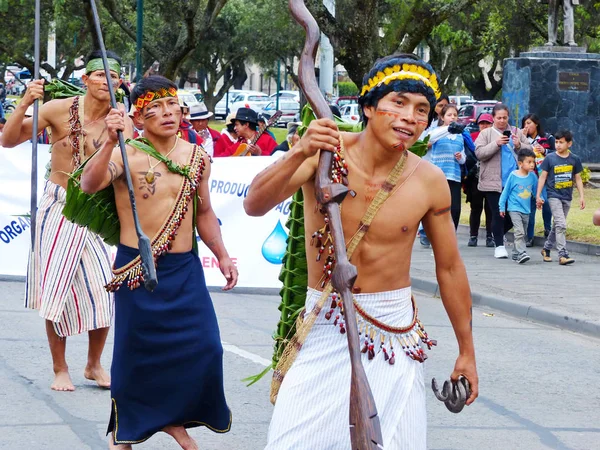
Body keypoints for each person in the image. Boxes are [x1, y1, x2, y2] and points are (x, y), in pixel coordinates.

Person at [244, 53, 478, 449]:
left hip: (394, 331)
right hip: (326, 320)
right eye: (398, 103)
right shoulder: (323, 156)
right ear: (368, 107)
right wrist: (300, 152)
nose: (410, 117)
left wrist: (467, 351)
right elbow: (254, 203)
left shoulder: (430, 181)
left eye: (422, 110)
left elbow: (451, 269)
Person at [80, 75, 238, 449]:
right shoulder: (125, 153)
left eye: (172, 106)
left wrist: (223, 254)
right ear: (138, 115)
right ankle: (126, 433)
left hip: (184, 271)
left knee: (206, 348)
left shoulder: (196, 156)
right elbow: (89, 184)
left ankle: (173, 420)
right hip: (138, 269)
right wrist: (107, 140)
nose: (167, 114)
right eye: (155, 109)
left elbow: (205, 213)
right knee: (136, 358)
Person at [0, 50, 131, 392]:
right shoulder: (58, 109)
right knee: (56, 285)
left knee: (105, 289)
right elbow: (8, 139)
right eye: (98, 74)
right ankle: (60, 368)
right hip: (58, 205)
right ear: (86, 79)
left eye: (112, 75)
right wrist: (26, 101)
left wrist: (121, 137)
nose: (105, 80)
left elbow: (129, 169)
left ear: (120, 82)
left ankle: (93, 364)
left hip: (98, 212)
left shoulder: (122, 121)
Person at [475, 104, 533, 259]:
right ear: (493, 118)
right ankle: (499, 245)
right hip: (493, 182)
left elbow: (530, 151)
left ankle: (497, 234)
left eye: (504, 117)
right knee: (497, 213)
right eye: (498, 117)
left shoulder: (516, 132)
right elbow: (479, 153)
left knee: (514, 215)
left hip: (515, 181)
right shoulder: (486, 133)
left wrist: (519, 145)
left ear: (509, 117)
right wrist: (496, 144)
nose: (501, 121)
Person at [537, 129, 585, 265]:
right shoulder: (550, 158)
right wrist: (538, 195)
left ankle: (546, 249)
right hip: (553, 195)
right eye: (556, 142)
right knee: (561, 224)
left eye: (561, 142)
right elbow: (543, 177)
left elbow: (578, 179)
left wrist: (582, 196)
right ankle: (562, 254)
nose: (557, 145)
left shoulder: (574, 159)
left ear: (569, 144)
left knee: (557, 225)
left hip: (567, 196)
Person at [423, 104, 466, 229]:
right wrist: (449, 129)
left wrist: (460, 157)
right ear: (442, 117)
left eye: (455, 115)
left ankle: (452, 234)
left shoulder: (459, 136)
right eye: (449, 115)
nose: (452, 117)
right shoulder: (437, 131)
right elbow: (430, 139)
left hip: (454, 177)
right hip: (438, 176)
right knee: (438, 207)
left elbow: (463, 159)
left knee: (455, 208)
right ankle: (431, 232)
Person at [498, 149, 538, 264]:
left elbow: (535, 192)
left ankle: (515, 253)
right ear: (520, 164)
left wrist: (539, 200)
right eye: (529, 162)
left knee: (523, 232)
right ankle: (522, 253)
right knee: (519, 231)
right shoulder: (513, 176)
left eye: (533, 162)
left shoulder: (533, 177)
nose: (532, 165)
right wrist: (501, 207)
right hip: (514, 208)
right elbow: (505, 192)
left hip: (526, 209)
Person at [521, 113, 554, 246]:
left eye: (529, 123)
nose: (526, 126)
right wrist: (522, 138)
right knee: (530, 207)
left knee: (545, 202)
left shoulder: (547, 138)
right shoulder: (523, 139)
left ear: (536, 124)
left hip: (544, 176)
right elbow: (517, 153)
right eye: (524, 123)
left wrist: (545, 152)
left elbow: (558, 152)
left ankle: (548, 229)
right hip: (528, 177)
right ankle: (529, 236)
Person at [465, 114, 494, 247]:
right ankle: (473, 236)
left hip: (491, 178)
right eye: (481, 123)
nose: (484, 126)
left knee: (490, 208)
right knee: (475, 208)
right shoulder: (472, 136)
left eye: (487, 123)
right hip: (475, 178)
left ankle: (490, 236)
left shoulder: (496, 137)